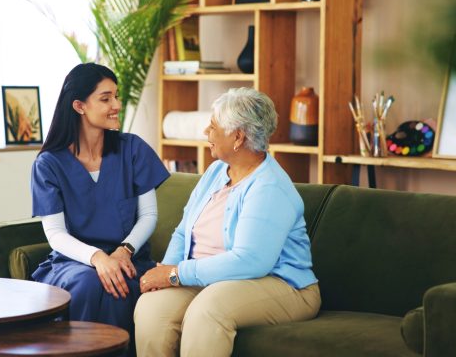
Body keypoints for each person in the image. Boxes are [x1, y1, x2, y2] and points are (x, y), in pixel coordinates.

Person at [134, 87, 321, 357]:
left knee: (207, 310)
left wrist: (176, 274)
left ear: (237, 137)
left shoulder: (269, 187)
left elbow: (250, 262)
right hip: (211, 279)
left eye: (212, 127)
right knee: (152, 308)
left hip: (279, 284)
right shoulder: (216, 171)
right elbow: (184, 230)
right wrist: (165, 271)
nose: (205, 133)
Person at [30, 63, 170, 339]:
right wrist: (97, 258)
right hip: (75, 263)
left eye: (116, 96)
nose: (116, 104)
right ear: (80, 106)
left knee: (122, 284)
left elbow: (148, 215)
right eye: (106, 99)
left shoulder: (133, 149)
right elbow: (55, 234)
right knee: (90, 283)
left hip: (129, 258)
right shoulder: (48, 164)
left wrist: (123, 251)